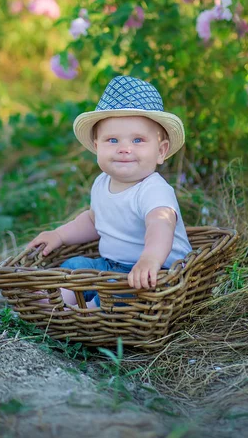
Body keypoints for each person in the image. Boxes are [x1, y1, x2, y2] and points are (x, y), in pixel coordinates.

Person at [27, 75, 192, 309]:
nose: (124, 149)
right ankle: (58, 301)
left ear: (161, 151)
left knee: (126, 292)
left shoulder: (154, 189)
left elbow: (160, 226)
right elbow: (94, 220)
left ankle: (90, 312)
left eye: (138, 140)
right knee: (75, 266)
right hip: (111, 266)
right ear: (97, 147)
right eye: (112, 140)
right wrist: (60, 235)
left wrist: (150, 259)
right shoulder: (101, 183)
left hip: (157, 271)